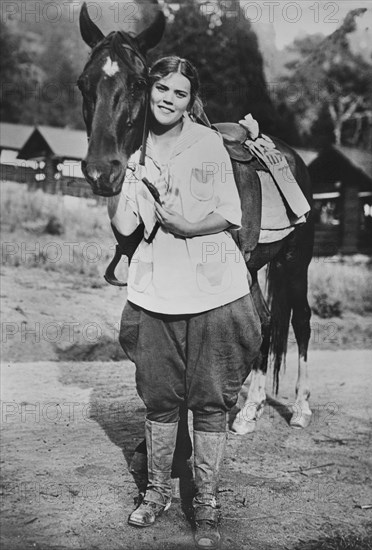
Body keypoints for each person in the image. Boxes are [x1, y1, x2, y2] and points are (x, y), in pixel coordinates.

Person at [108, 56, 261, 549]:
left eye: (178, 92)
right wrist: (117, 180)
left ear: (189, 98)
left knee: (212, 402)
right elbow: (126, 229)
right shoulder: (133, 146)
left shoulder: (207, 142)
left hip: (214, 291)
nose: (167, 99)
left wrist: (187, 226)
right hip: (155, 290)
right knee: (159, 398)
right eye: (160, 89)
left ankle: (207, 501)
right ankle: (156, 493)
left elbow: (229, 212)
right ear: (147, 90)